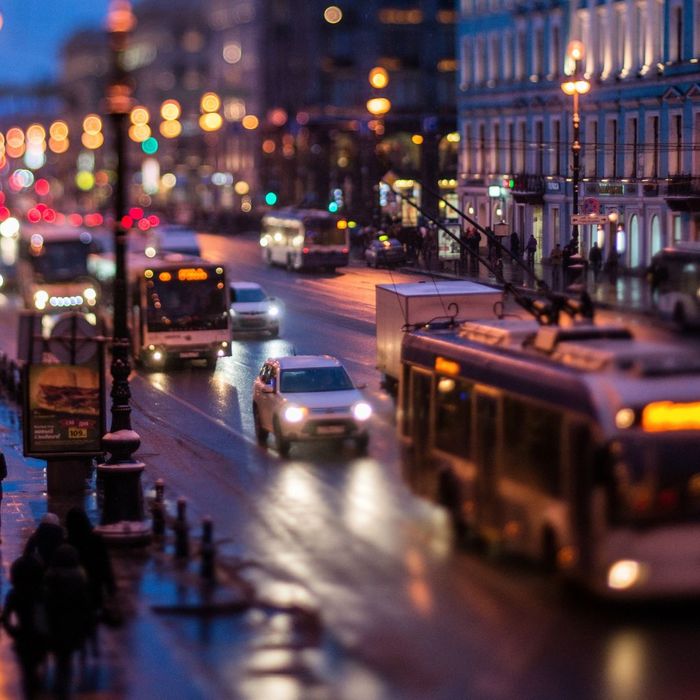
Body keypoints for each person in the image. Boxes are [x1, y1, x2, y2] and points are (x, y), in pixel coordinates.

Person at [44, 544, 94, 699]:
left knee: (59, 654)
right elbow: (84, 600)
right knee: (67, 656)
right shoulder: (80, 575)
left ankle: (59, 684)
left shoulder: (50, 575)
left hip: (55, 620)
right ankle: (65, 684)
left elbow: (46, 599)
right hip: (72, 620)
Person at [65, 507, 117, 658]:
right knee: (92, 616)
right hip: (94, 587)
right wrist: (110, 585)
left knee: (79, 617)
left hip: (77, 588)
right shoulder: (96, 540)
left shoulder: (69, 543)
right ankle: (92, 643)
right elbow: (105, 565)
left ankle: (81, 645)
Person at [1, 554, 49, 698]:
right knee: (38, 665)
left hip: (23, 636)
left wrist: (12, 631)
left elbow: (5, 618)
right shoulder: (43, 592)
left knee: (28, 671)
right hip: (41, 635)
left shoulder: (14, 594)